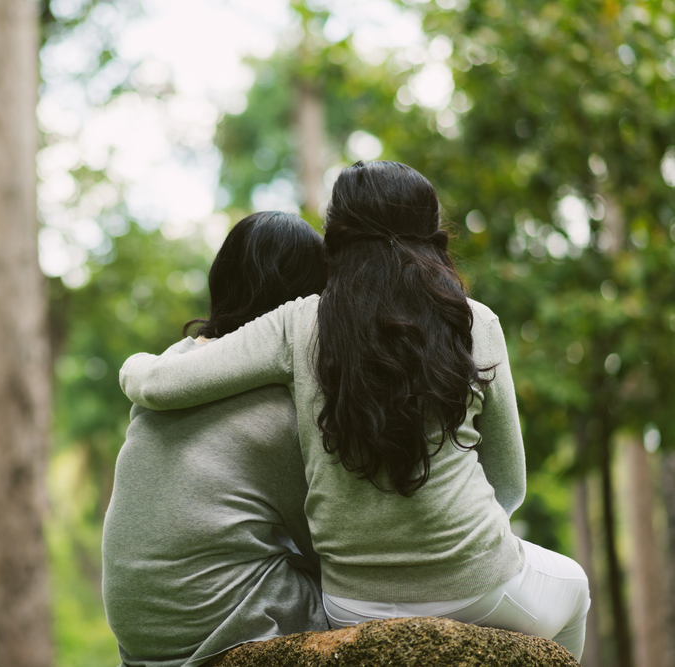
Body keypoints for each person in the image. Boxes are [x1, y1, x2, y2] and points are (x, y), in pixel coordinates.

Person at [119, 161, 590, 659]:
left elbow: (159, 383)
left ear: (335, 242)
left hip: (350, 603)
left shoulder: (299, 323)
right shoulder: (474, 323)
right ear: (434, 238)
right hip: (477, 583)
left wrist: (134, 365)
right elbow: (508, 483)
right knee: (575, 587)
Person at [102, 211, 331, 667]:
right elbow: (323, 542)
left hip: (140, 638)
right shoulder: (277, 409)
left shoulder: (175, 361)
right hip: (220, 630)